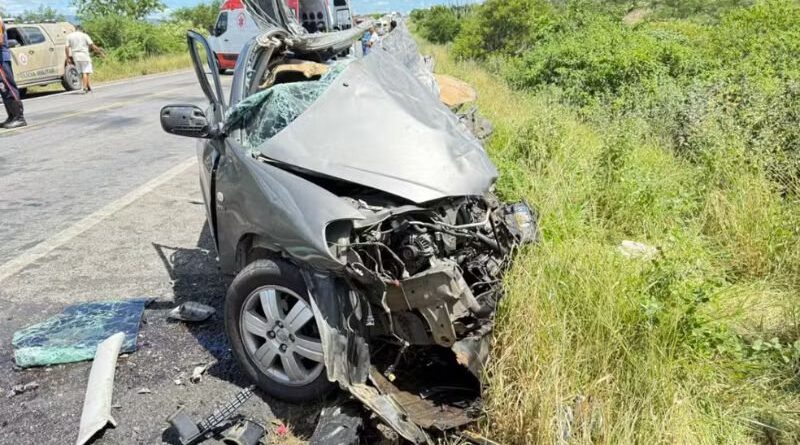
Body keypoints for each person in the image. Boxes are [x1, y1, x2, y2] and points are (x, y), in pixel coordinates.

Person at [0, 16, 26, 129]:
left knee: (9, 87)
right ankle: (11, 116)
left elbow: (0, 40)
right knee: (3, 89)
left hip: (1, 58)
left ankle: (19, 117)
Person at [65, 26, 105, 94]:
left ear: (75, 29)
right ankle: (85, 88)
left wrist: (68, 57)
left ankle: (88, 86)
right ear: (82, 30)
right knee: (85, 72)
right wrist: (100, 52)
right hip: (84, 55)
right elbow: (92, 45)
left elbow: (66, 47)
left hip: (75, 56)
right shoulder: (85, 35)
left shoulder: (69, 36)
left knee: (81, 72)